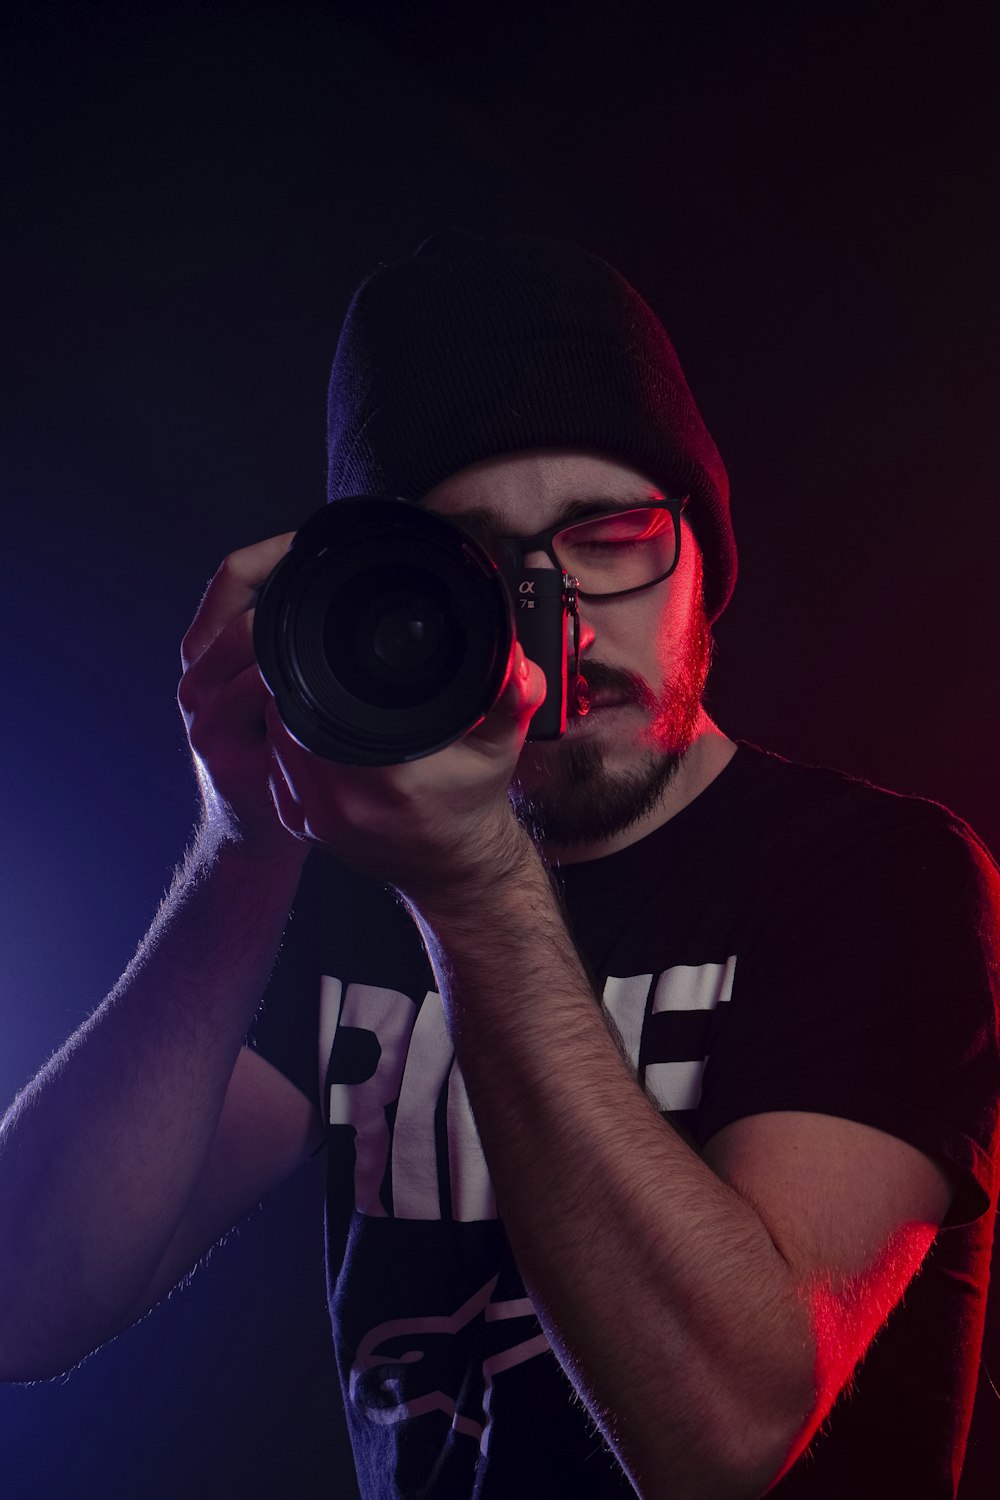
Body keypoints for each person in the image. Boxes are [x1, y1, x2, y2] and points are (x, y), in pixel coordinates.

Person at [0, 231, 997, 1499]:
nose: (563, 618)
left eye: (613, 533)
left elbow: (724, 1441)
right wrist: (243, 842)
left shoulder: (880, 877)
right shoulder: (353, 887)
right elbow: (24, 1306)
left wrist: (474, 889)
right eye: (483, 571)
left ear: (703, 555)